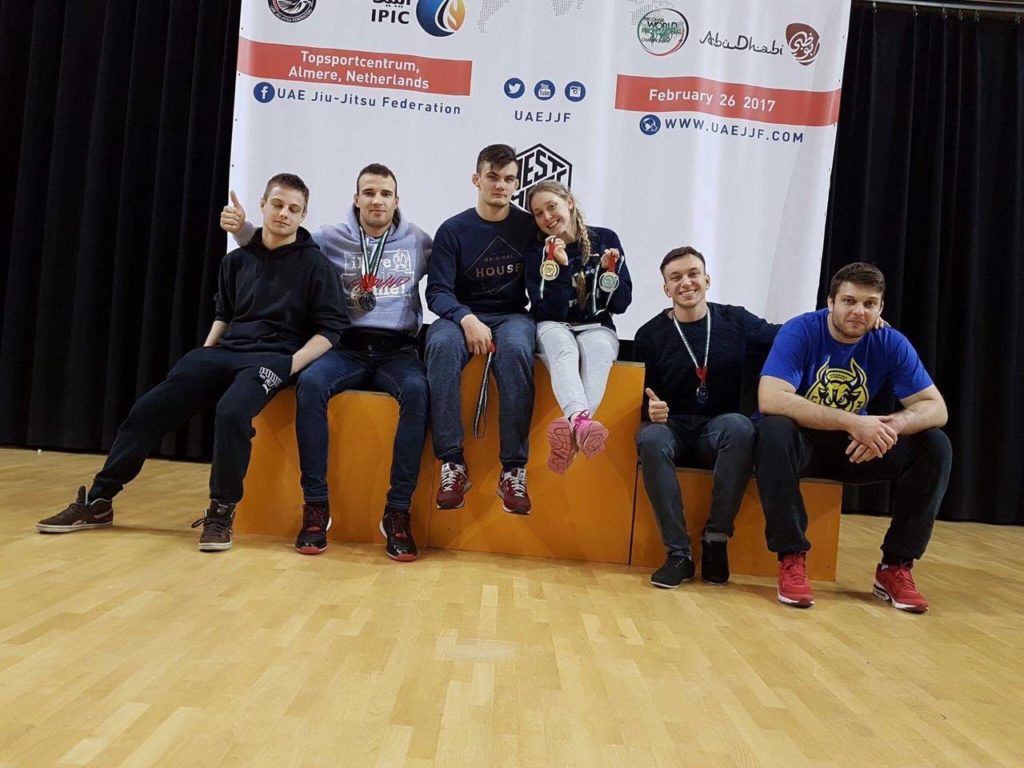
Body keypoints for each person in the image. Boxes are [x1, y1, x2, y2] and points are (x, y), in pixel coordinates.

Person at [37, 174, 345, 551]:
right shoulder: (235, 261)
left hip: (273, 358)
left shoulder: (316, 266)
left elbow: (331, 329)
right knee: (148, 409)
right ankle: (99, 501)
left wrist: (289, 365)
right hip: (225, 351)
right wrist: (204, 354)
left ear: (303, 215)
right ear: (263, 204)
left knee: (232, 413)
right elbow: (224, 314)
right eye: (278, 205)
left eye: (294, 209)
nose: (284, 214)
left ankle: (221, 512)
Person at [220, 164, 431, 561]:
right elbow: (279, 245)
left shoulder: (418, 240)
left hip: (398, 351)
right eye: (369, 192)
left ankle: (397, 511)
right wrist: (242, 230)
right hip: (343, 347)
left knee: (419, 392)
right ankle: (316, 506)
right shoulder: (328, 237)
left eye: (385, 193)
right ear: (356, 198)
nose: (377, 200)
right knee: (311, 384)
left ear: (396, 201)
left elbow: (453, 276)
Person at [756, 262, 951, 612]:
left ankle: (895, 567)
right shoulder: (801, 330)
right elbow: (770, 398)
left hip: (855, 449)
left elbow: (936, 408)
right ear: (830, 302)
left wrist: (888, 427)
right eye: (849, 301)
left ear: (880, 308)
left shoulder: (889, 341)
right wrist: (852, 422)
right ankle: (791, 557)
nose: (859, 311)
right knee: (774, 428)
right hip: (803, 444)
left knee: (935, 444)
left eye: (869, 303)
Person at [634, 246, 779, 588]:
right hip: (672, 427)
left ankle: (716, 539)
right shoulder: (649, 334)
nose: (686, 283)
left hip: (716, 430)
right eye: (676, 278)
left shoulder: (735, 320)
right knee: (650, 438)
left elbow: (788, 334)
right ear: (666, 289)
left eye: (693, 274)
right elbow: (642, 396)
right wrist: (650, 410)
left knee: (740, 426)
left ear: (707, 279)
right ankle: (678, 554)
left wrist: (838, 319)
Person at [425, 144, 538, 514]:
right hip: (461, 316)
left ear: (516, 184)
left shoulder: (529, 227)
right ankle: (452, 463)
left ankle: (514, 470)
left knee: (518, 349)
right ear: (477, 179)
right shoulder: (453, 230)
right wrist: (466, 318)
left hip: (512, 316)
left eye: (508, 179)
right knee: (440, 345)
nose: (500, 185)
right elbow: (437, 291)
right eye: (492, 177)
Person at [524, 181, 632, 473]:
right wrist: (560, 268)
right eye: (538, 213)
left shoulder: (605, 239)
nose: (547, 217)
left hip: (596, 326)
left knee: (599, 350)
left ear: (569, 202)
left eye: (552, 207)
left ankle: (574, 427)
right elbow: (548, 309)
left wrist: (609, 274)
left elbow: (621, 303)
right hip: (552, 324)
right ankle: (582, 424)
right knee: (564, 349)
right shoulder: (536, 251)